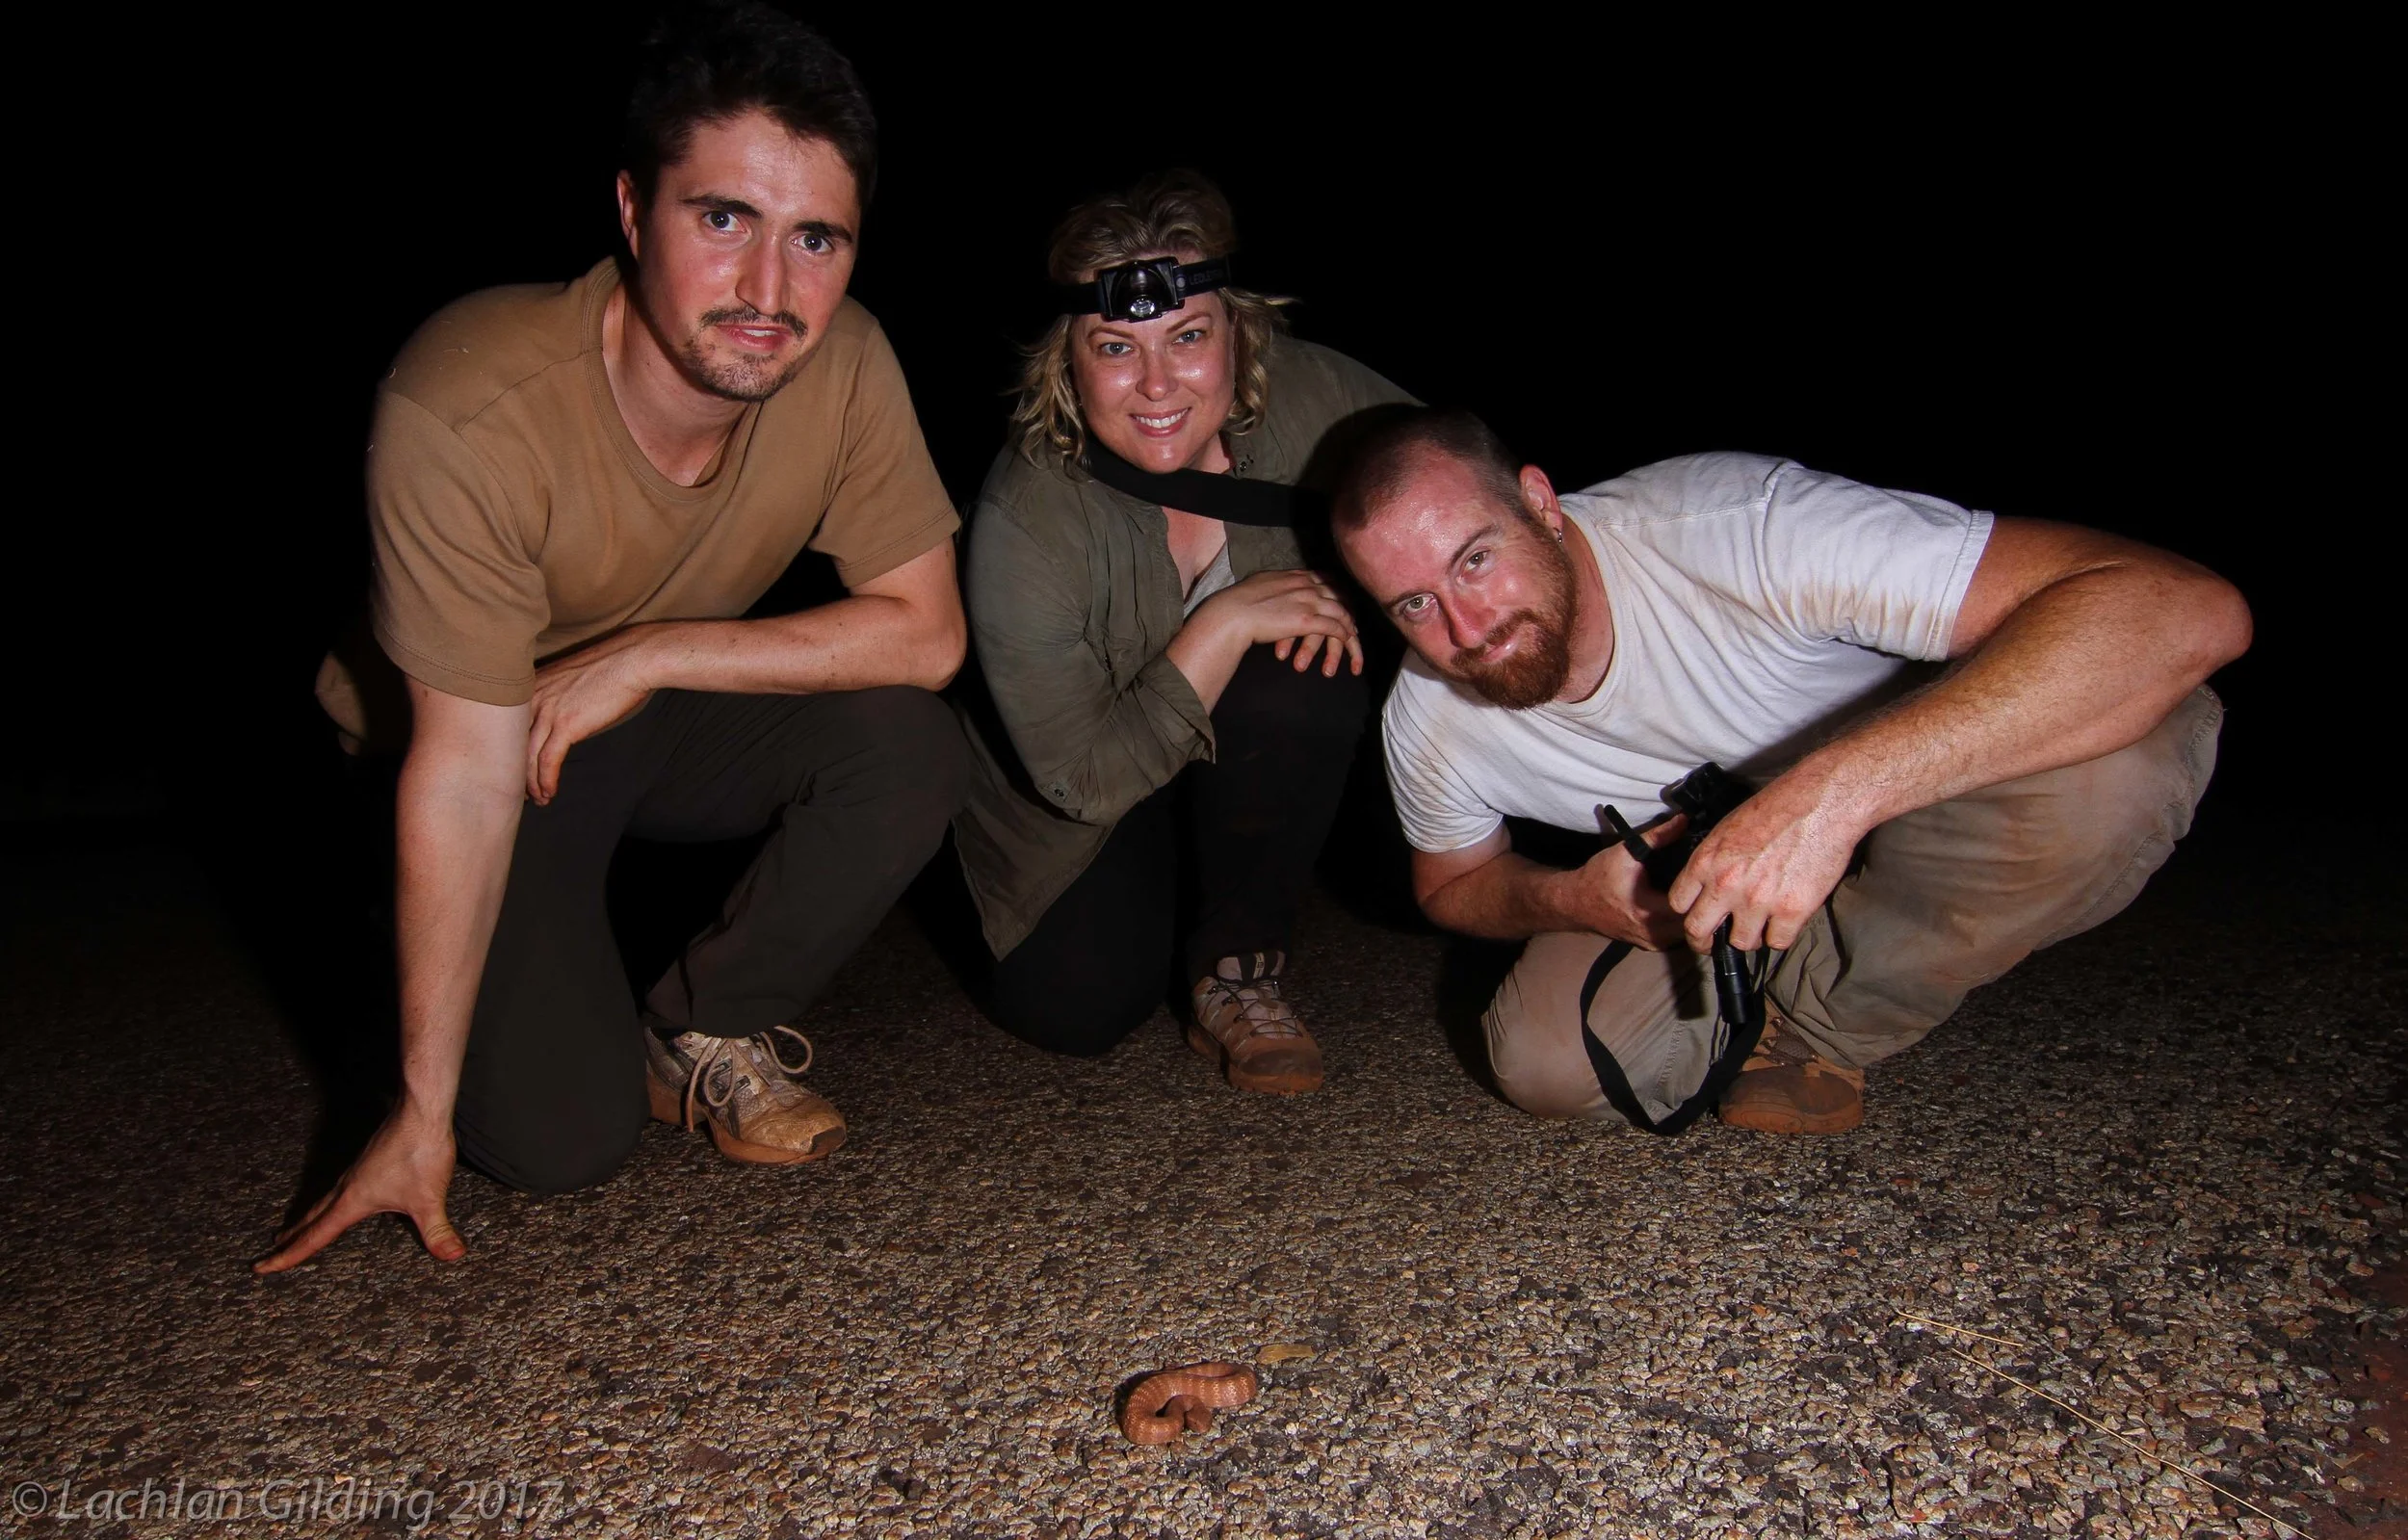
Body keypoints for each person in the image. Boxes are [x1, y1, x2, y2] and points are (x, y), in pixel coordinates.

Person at [262, 6, 969, 1272]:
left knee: (907, 742)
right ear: (635, 213)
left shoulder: (851, 363)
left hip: (642, 711)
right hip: (465, 740)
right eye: (723, 220)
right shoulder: (469, 401)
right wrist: (419, 1112)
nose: (770, 291)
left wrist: (642, 652)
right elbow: (465, 767)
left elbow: (926, 637)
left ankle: (700, 1026)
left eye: (817, 238)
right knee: (556, 1143)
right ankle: (446, 1014)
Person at [1332, 410, 2249, 1134]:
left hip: (1914, 799)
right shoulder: (1428, 713)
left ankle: (1820, 1026)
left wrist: (1832, 795)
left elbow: (2183, 610)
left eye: (1477, 559)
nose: (1465, 628)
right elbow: (1450, 882)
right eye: (1414, 603)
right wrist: (1574, 900)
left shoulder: (1741, 525)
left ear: (1540, 499)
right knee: (1542, 1064)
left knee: (2119, 765)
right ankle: (1779, 960)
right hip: (1696, 879)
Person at [950, 172, 1413, 1092]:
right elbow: (1080, 777)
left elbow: (1469, 509)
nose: (1157, 384)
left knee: (1306, 672)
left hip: (1241, 745)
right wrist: (1229, 615)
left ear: (1240, 333)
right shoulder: (1025, 513)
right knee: (1074, 1009)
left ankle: (1239, 969)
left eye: (1188, 337)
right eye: (1116, 346)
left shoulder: (1322, 395)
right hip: (1080, 795)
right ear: (1066, 363)